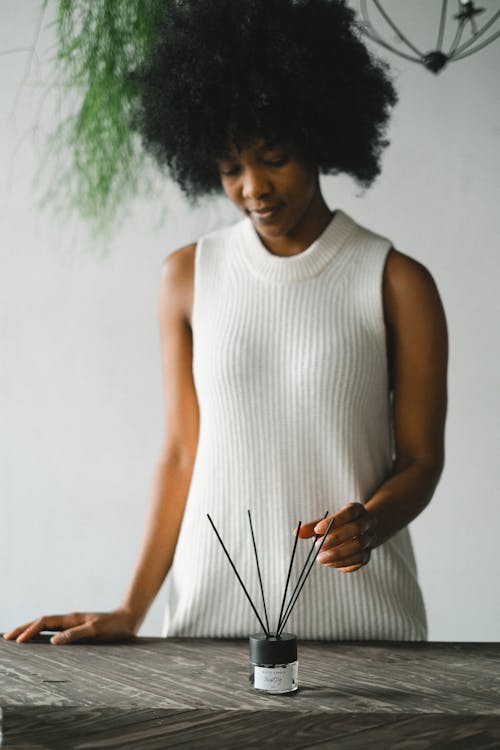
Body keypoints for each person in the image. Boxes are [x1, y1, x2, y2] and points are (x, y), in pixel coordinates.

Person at [4, 0, 447, 645]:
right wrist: (132, 610)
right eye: (230, 166)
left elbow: (421, 461)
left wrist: (371, 525)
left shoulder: (397, 281)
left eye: (273, 156)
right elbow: (184, 455)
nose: (253, 187)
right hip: (211, 627)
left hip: (368, 629)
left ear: (320, 137)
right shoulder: (187, 276)